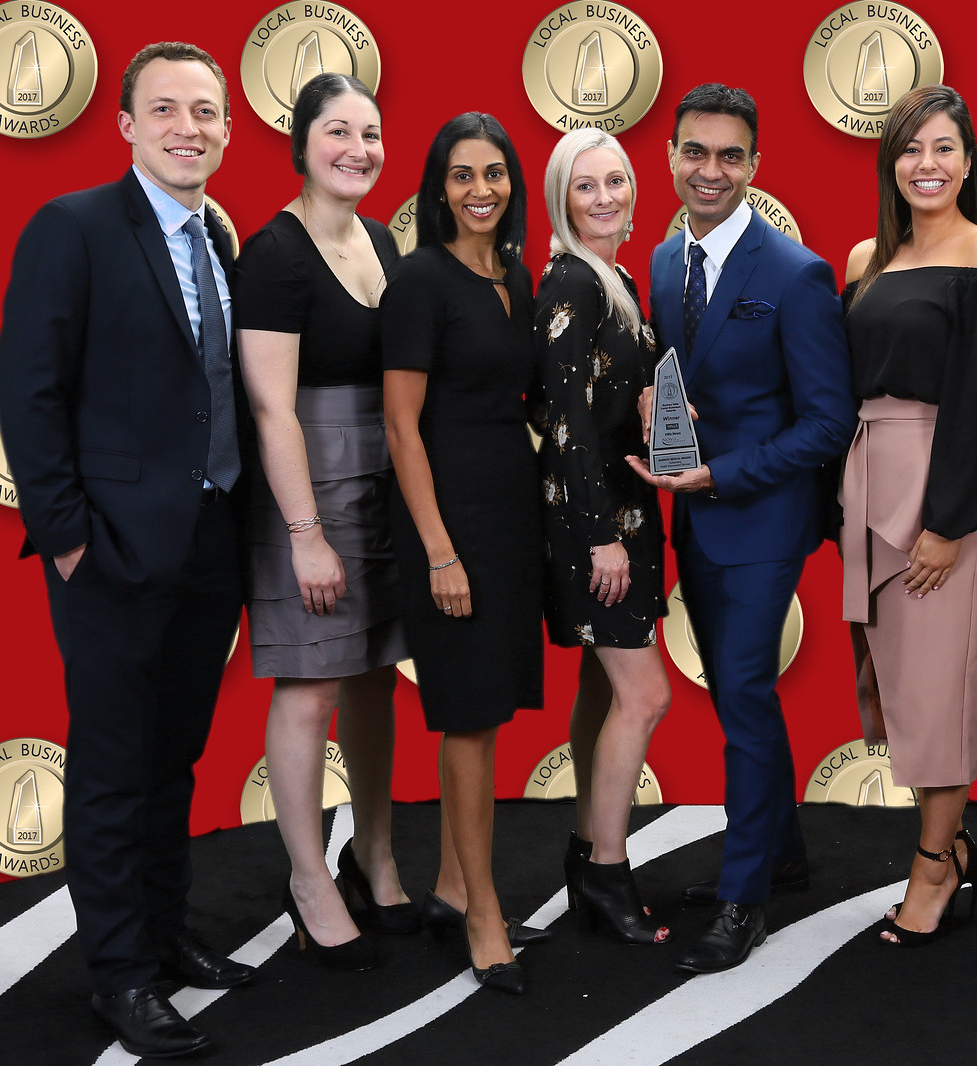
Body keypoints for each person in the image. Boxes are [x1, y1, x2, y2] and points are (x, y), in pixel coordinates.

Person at [0, 42, 254, 1056]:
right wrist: (67, 538)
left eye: (206, 110)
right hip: (109, 551)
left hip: (211, 542)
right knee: (110, 768)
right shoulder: (73, 226)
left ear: (228, 126)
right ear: (127, 125)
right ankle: (120, 976)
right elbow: (30, 390)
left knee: (173, 757)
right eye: (167, 109)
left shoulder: (219, 237)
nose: (190, 127)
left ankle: (161, 931)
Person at [626, 83, 856, 973]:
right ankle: (781, 851)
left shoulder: (795, 273)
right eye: (695, 151)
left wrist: (721, 474)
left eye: (729, 155)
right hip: (693, 521)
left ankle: (744, 895)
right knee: (735, 694)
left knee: (746, 698)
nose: (710, 170)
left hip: (760, 521)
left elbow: (827, 422)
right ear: (670, 156)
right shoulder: (660, 261)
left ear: (755, 165)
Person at [235, 73, 411, 970]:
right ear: (301, 144)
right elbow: (271, 408)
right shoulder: (274, 253)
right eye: (338, 131)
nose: (358, 148)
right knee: (309, 690)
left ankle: (372, 857)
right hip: (308, 488)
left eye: (370, 132)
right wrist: (305, 534)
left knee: (376, 678)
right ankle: (308, 881)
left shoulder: (380, 239)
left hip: (384, 483)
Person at [838, 85, 977, 945]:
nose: (927, 164)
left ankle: (933, 865)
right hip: (866, 481)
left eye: (944, 147)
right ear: (890, 162)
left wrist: (949, 523)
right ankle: (950, 843)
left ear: (968, 161)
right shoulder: (864, 258)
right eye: (911, 148)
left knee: (937, 691)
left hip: (941, 492)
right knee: (897, 692)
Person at [382, 112, 544, 995]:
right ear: (437, 189)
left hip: (509, 516)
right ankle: (483, 913)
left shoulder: (514, 274)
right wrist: (440, 552)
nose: (480, 190)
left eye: (493, 173)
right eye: (461, 175)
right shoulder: (419, 280)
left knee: (491, 710)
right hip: (450, 523)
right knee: (468, 716)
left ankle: (451, 887)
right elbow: (401, 427)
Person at [535, 129, 673, 945]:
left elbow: (606, 401)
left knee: (602, 687)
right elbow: (563, 421)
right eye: (584, 186)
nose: (604, 197)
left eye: (614, 180)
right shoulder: (571, 281)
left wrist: (658, 408)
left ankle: (587, 851)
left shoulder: (614, 276)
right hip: (595, 521)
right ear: (561, 198)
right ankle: (608, 870)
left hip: (626, 508)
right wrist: (599, 539)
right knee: (645, 694)